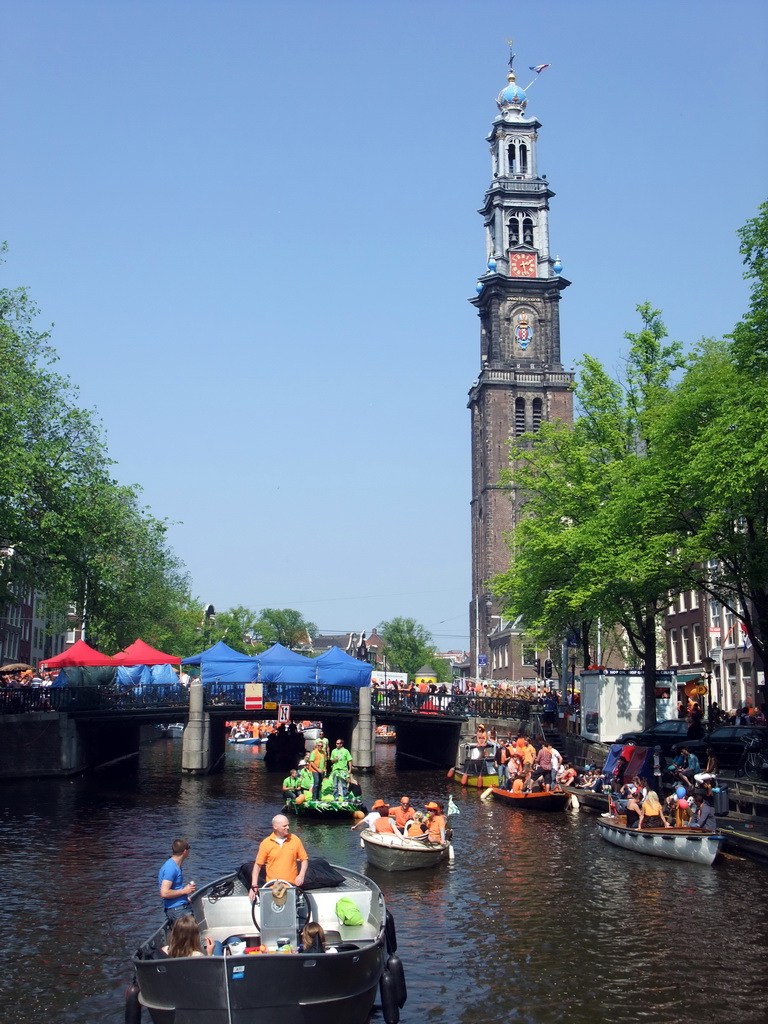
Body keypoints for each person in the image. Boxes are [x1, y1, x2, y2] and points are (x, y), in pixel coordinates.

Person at [250, 814, 308, 900]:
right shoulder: (266, 843)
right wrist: (254, 886)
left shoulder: (295, 839)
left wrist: (301, 875)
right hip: (273, 888)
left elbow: (304, 859)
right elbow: (258, 865)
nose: (288, 827)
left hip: (291, 886)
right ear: (275, 827)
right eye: (284, 826)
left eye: (288, 825)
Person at [158, 838, 196, 927]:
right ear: (185, 851)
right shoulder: (171, 868)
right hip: (178, 910)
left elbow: (175, 888)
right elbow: (164, 893)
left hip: (180, 907)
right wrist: (185, 891)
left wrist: (184, 897)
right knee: (192, 939)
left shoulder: (176, 865)